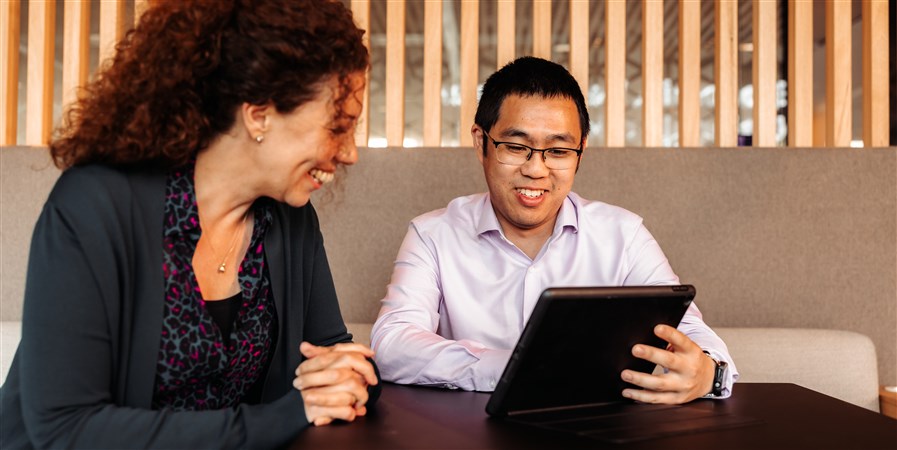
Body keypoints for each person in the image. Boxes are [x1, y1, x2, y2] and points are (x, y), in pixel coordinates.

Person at [0, 0, 379, 448]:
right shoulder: (93, 207)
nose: (350, 152)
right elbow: (66, 429)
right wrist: (283, 416)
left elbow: (335, 356)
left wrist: (344, 379)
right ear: (259, 113)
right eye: (338, 126)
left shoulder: (290, 218)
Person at [371, 56, 738, 404]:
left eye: (559, 151)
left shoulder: (623, 236)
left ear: (581, 150)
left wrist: (709, 372)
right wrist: (515, 368)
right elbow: (392, 343)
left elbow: (689, 331)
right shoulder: (432, 235)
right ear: (481, 142)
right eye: (516, 147)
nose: (536, 169)